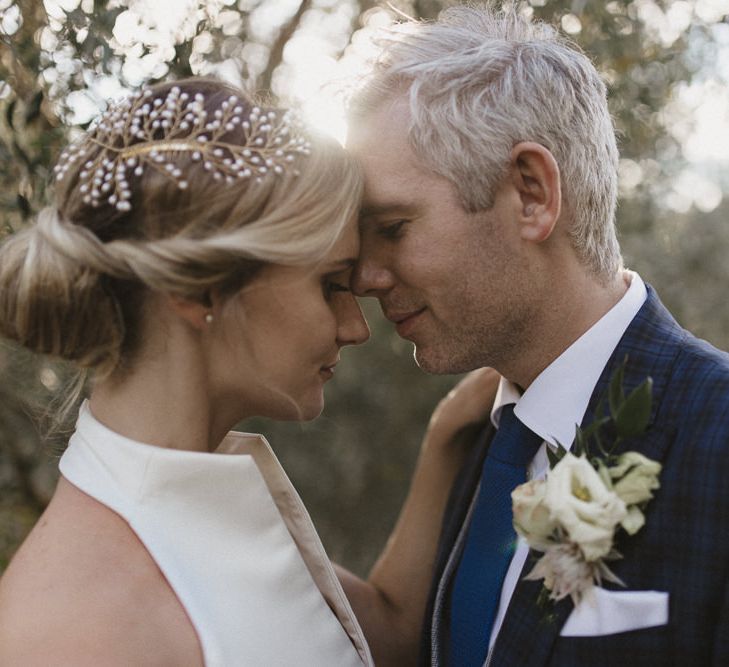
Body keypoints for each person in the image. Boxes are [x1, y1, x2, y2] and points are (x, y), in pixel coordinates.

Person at [340, 3, 729, 666]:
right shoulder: (476, 443)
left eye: (394, 227)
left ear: (529, 193)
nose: (366, 277)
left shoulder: (717, 432)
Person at [0, 77, 382, 666]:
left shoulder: (211, 490)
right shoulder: (75, 633)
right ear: (199, 289)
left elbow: (393, 628)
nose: (356, 327)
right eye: (330, 284)